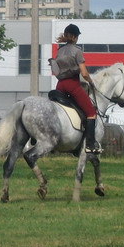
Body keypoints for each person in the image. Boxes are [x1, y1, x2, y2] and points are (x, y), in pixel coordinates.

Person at [50, 23, 101, 153]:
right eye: (77, 36)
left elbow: (56, 71)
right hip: (72, 85)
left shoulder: (59, 51)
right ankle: (90, 145)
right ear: (74, 37)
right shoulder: (77, 51)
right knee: (91, 113)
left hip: (60, 85)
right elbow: (84, 73)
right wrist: (90, 81)